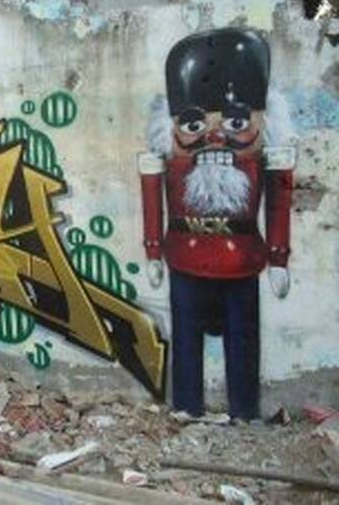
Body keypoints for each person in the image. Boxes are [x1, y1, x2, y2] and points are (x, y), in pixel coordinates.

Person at [138, 28, 295, 420]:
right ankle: (187, 405)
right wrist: (153, 253)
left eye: (236, 122)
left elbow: (278, 203)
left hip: (243, 260)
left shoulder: (264, 162)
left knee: (243, 340)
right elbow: (152, 201)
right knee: (185, 339)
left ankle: (244, 409)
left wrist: (278, 259)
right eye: (194, 126)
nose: (215, 136)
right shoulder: (168, 163)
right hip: (185, 257)